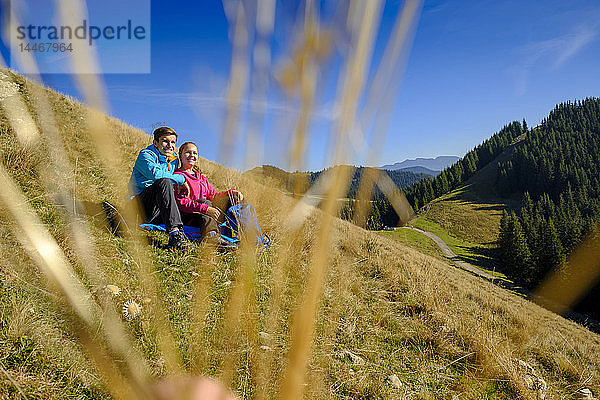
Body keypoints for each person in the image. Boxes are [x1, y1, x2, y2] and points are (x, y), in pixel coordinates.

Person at [129, 126, 193, 250]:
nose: (170, 145)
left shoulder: (173, 159)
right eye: (165, 141)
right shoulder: (146, 155)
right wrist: (181, 180)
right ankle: (175, 234)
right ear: (156, 143)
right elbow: (156, 175)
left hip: (159, 210)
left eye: (173, 142)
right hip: (138, 207)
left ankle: (213, 236)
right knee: (163, 181)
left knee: (198, 205)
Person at [174, 142, 243, 244]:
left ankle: (244, 235)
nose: (192, 155)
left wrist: (231, 192)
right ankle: (211, 237)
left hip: (207, 214)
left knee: (233, 198)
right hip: (190, 216)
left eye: (195, 153)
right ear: (180, 155)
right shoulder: (178, 176)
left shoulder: (201, 177)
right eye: (188, 152)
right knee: (204, 201)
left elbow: (213, 195)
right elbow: (182, 203)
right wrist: (206, 208)